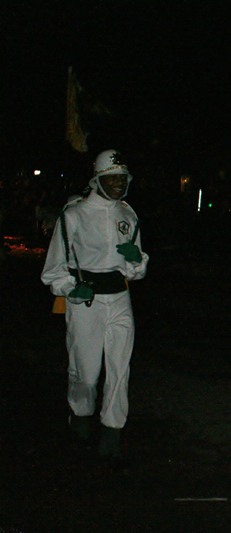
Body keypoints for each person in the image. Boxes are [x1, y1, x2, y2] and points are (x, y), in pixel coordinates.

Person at [41, 149, 149, 459]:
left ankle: (113, 429)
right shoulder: (73, 215)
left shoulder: (129, 215)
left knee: (119, 367)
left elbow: (135, 270)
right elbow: (53, 269)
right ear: (97, 180)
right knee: (86, 372)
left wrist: (136, 262)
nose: (118, 183)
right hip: (85, 300)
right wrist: (69, 289)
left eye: (122, 178)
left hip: (119, 299)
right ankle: (81, 411)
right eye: (111, 178)